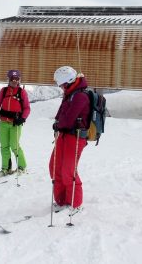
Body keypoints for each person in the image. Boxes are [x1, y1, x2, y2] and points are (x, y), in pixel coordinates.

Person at [49, 66, 90, 212]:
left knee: (68, 170)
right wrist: (58, 122)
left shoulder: (80, 96)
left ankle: (74, 204)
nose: (60, 87)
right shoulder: (69, 93)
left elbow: (69, 119)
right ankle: (61, 201)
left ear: (67, 82)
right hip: (64, 135)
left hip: (75, 136)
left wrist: (59, 123)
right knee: (54, 167)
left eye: (60, 84)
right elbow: (61, 116)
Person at [0, 69, 30, 176]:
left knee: (14, 145)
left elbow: (27, 108)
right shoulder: (3, 91)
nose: (14, 81)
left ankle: (22, 167)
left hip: (16, 123)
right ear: (8, 79)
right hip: (3, 122)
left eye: (17, 79)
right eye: (12, 79)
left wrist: (22, 118)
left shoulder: (22, 92)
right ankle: (6, 168)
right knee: (4, 146)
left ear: (19, 80)